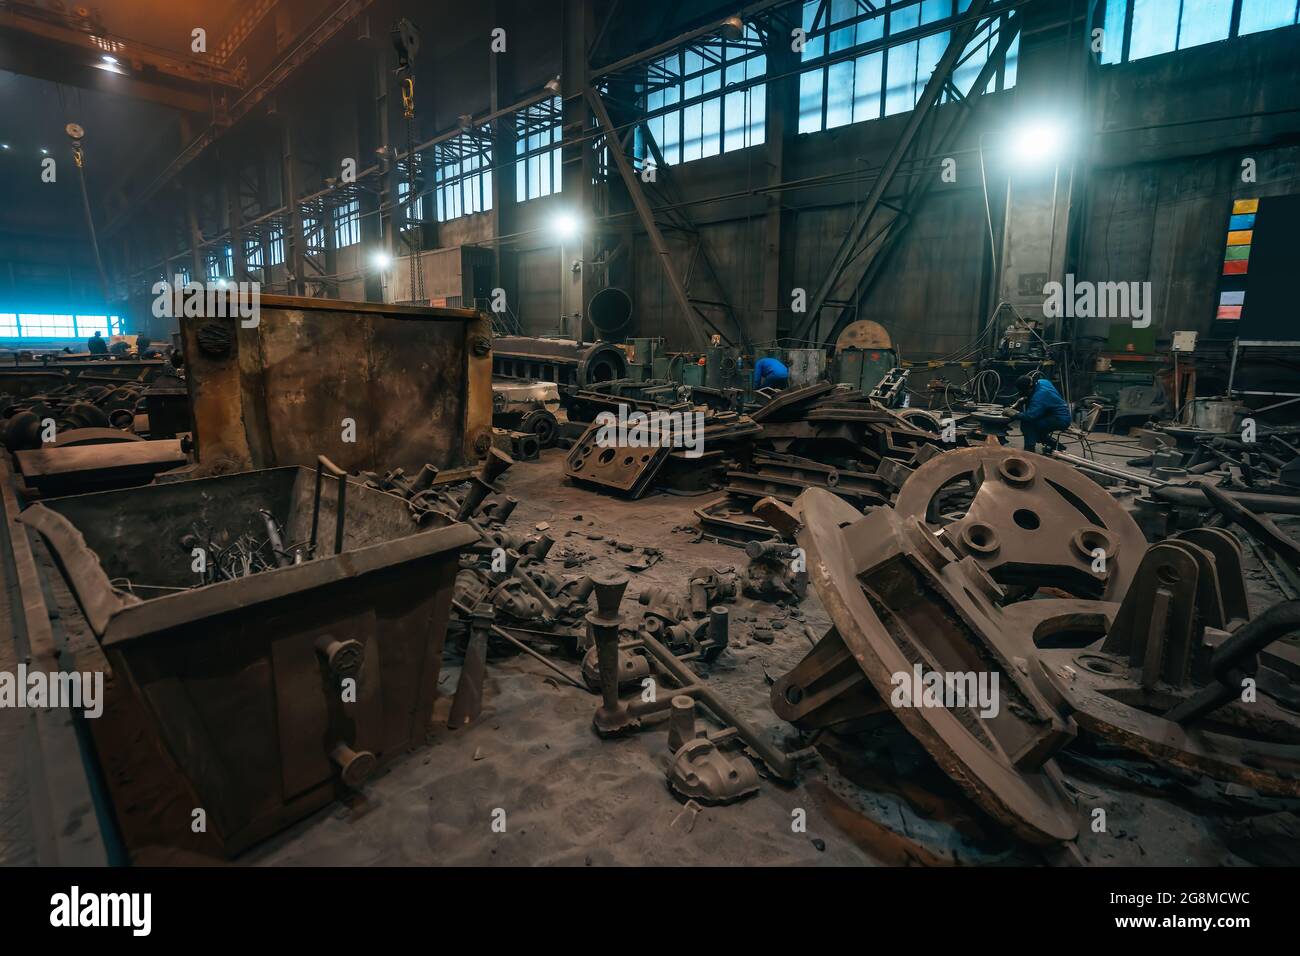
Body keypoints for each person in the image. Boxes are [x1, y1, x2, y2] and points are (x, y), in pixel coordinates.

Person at [1008, 373, 1071, 452]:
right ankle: (1058, 447)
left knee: (1028, 424)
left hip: (1060, 419)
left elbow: (1030, 416)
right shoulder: (1042, 382)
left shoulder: (1039, 396)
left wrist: (1014, 414)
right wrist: (1025, 399)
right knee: (1037, 432)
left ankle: (1029, 450)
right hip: (1053, 414)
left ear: (1029, 388)